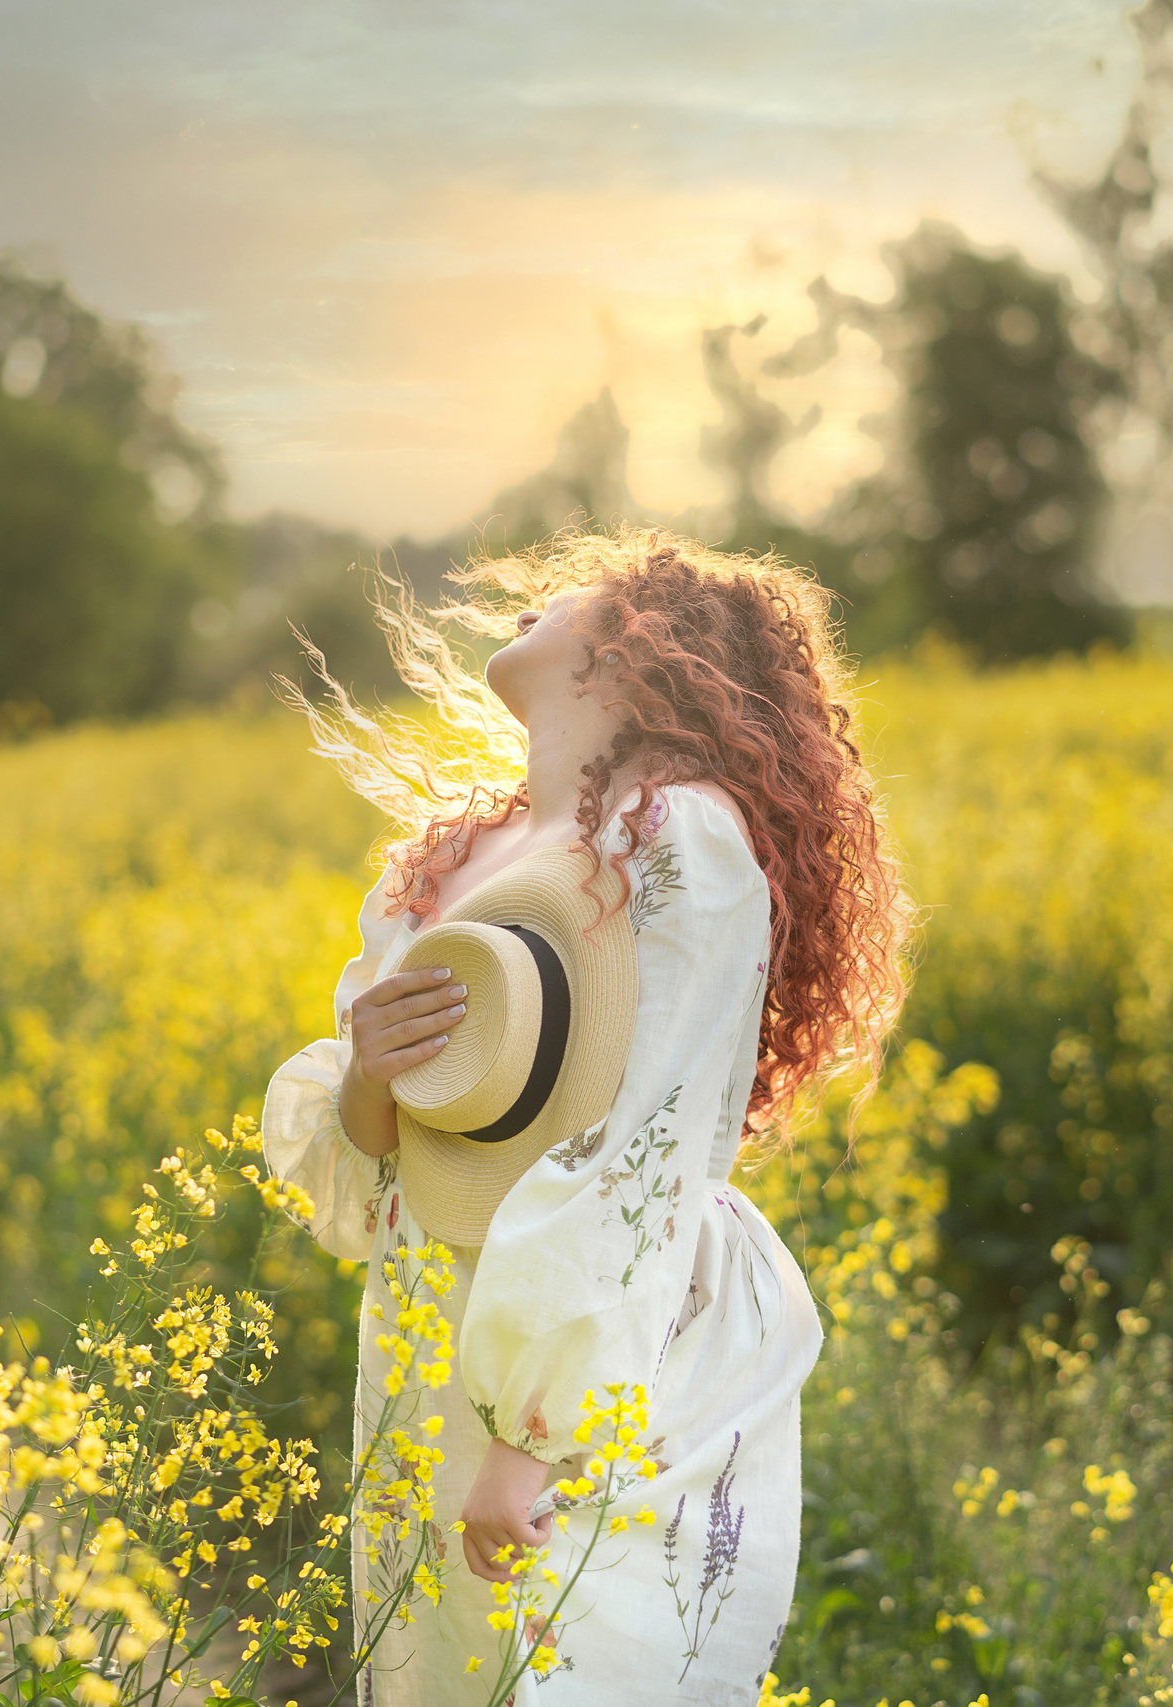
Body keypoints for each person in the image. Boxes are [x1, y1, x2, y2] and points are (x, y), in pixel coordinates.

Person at [262, 531, 911, 1705]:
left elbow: (644, 1146)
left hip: (589, 1348)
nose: (526, 605)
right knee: (428, 1673)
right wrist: (365, 1076)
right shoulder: (449, 858)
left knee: (553, 1671)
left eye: (570, 595)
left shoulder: (679, 840)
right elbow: (369, 1187)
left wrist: (531, 1434)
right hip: (419, 1309)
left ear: (644, 646)